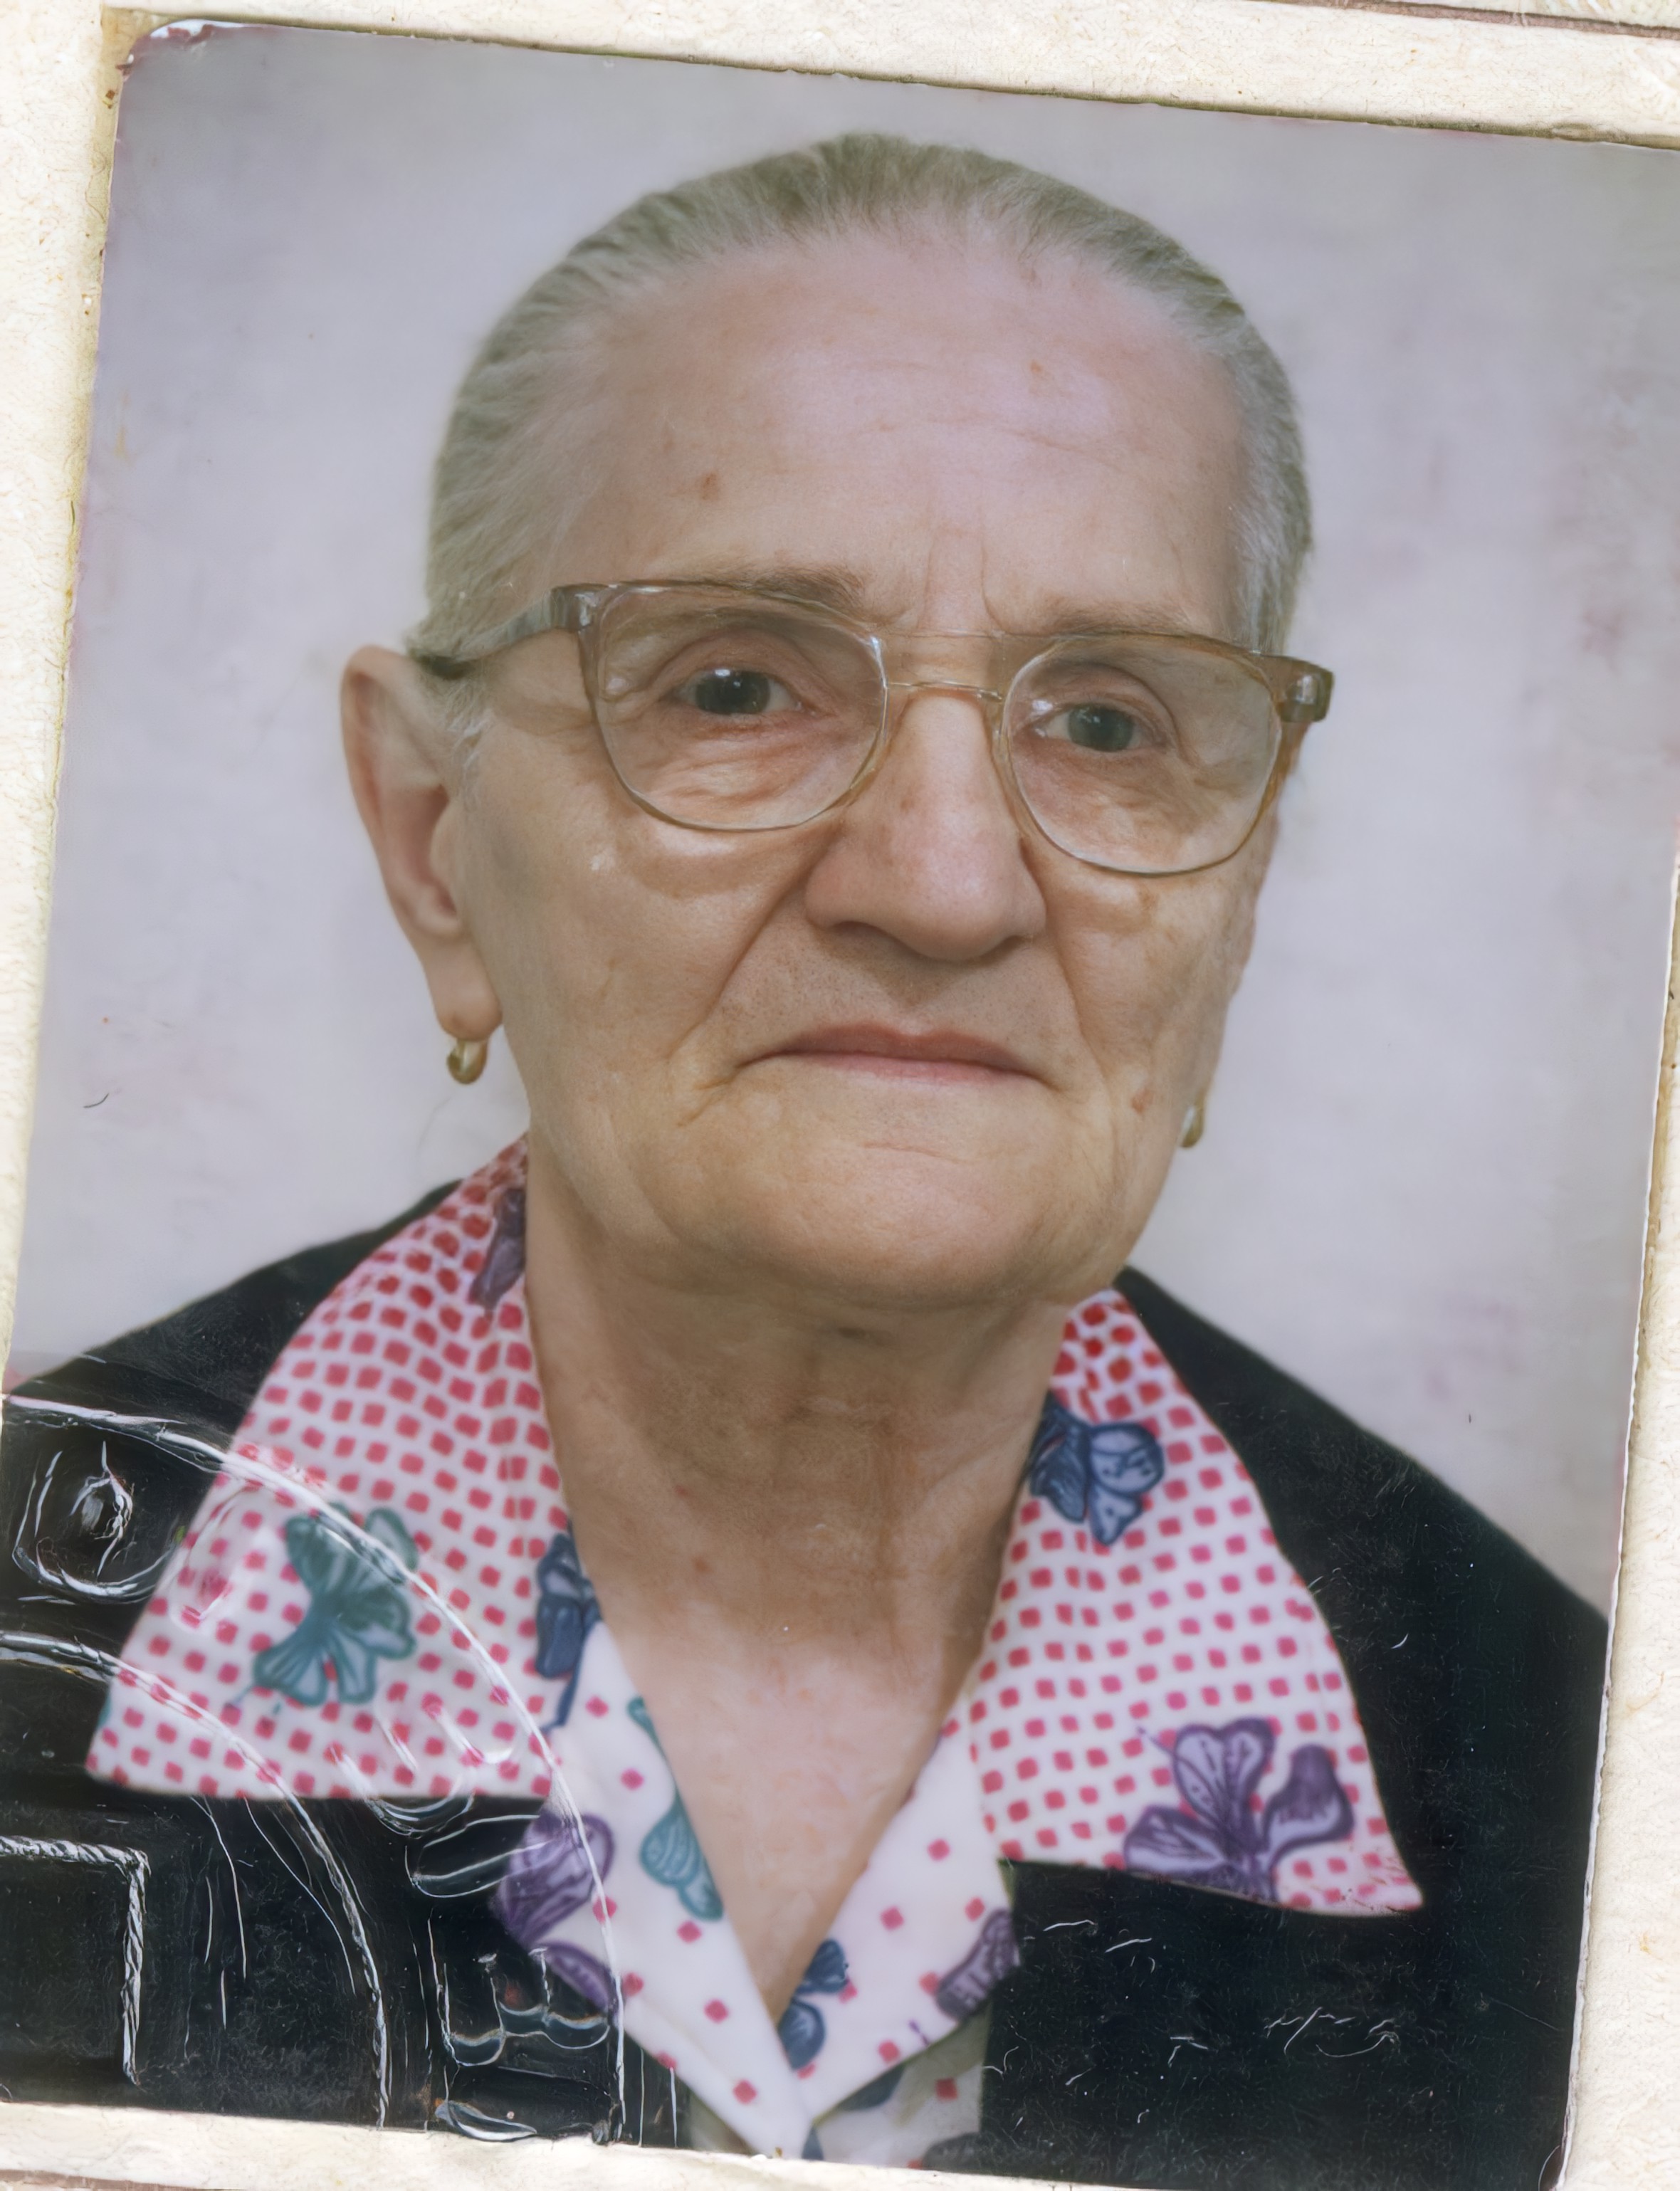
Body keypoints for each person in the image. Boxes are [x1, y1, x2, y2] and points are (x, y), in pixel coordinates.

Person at [0, 135, 1605, 2189]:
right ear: (434, 841)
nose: (944, 883)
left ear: (1242, 886)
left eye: (1111, 726)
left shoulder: (1576, 1775)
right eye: (738, 685)